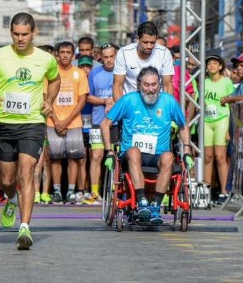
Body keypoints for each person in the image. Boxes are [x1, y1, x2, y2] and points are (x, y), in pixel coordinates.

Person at [0, 12, 60, 250]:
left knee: (27, 172)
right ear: (10, 33)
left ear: (34, 33)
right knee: (8, 179)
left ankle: (25, 227)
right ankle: (11, 199)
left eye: (25, 34)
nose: (20, 39)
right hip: (3, 124)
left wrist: (50, 101)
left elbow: (54, 80)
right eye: (16, 34)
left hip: (32, 123)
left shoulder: (46, 59)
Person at [101, 66, 193, 224]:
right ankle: (142, 201)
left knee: (169, 156)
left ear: (159, 85)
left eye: (154, 84)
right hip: (131, 155)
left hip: (158, 155)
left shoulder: (169, 102)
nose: (150, 89)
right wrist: (109, 150)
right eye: (146, 85)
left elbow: (183, 126)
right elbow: (105, 124)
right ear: (139, 85)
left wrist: (187, 149)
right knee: (134, 151)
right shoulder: (128, 100)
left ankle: (156, 206)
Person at [47, 41, 88, 204]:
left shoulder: (79, 73)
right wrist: (57, 121)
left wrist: (66, 121)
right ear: (57, 54)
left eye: (68, 52)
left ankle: (71, 192)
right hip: (52, 121)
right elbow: (46, 99)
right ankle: (57, 191)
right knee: (55, 158)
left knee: (73, 158)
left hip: (74, 123)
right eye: (62, 52)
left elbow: (82, 100)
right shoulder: (50, 73)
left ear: (73, 55)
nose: (65, 55)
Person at [86, 43, 118, 204]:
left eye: (112, 56)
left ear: (116, 56)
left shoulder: (123, 72)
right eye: (105, 57)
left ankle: (116, 190)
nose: (109, 60)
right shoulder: (94, 73)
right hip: (98, 121)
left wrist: (115, 102)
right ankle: (94, 191)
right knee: (97, 156)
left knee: (117, 157)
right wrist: (105, 100)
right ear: (101, 58)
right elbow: (88, 97)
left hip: (118, 122)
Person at [113, 21, 174, 102]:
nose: (149, 46)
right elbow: (117, 86)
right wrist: (123, 109)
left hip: (156, 105)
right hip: (131, 105)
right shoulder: (124, 53)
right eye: (145, 42)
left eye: (152, 43)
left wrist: (165, 108)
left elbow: (168, 86)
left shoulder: (164, 53)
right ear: (137, 39)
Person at [203, 54, 234, 204]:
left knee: (220, 157)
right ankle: (206, 191)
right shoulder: (203, 82)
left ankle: (224, 191)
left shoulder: (227, 82)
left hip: (222, 120)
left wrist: (229, 128)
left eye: (215, 63)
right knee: (207, 157)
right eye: (209, 64)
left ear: (221, 66)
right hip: (206, 122)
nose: (212, 66)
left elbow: (232, 105)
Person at [77, 55, 93, 203]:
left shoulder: (93, 81)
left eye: (88, 66)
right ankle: (81, 190)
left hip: (94, 125)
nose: (85, 69)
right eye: (82, 67)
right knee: (82, 160)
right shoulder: (77, 81)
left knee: (95, 159)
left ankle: (92, 190)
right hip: (79, 125)